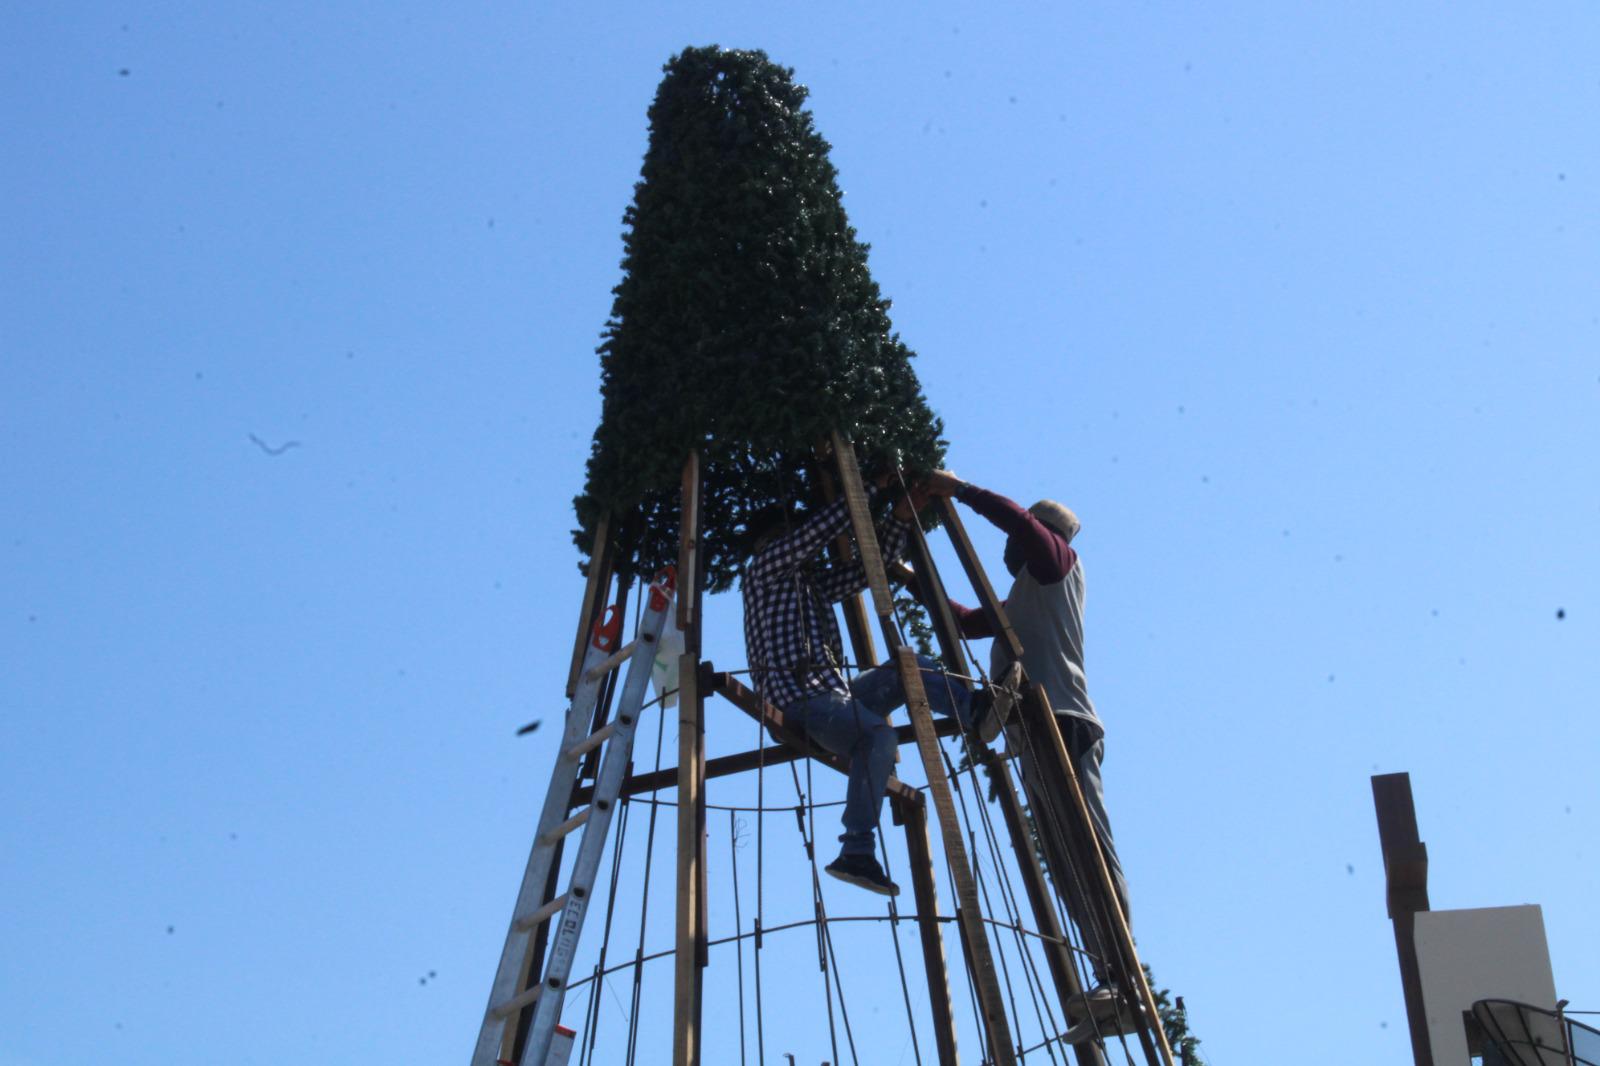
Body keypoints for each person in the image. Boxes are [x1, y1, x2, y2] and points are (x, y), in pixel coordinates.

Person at [916, 471, 1130, 1017]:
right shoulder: (1024, 597)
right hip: (1032, 730)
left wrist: (959, 490)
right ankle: (1105, 972)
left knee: (1086, 845)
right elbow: (966, 624)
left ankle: (1121, 975)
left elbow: (1022, 524)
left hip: (1063, 720)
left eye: (1019, 539)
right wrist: (911, 575)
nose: (1011, 547)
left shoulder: (1057, 567)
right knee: (1061, 856)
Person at [741, 479, 1005, 897]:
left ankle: (973, 711)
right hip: (797, 701)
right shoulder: (765, 572)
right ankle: (857, 849)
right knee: (876, 735)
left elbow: (870, 569)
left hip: (829, 694)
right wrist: (861, 489)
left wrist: (899, 518)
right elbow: (816, 532)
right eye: (790, 537)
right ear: (774, 542)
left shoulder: (811, 588)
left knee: (909, 666)